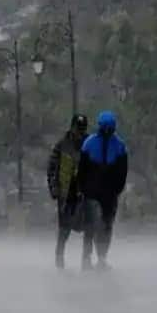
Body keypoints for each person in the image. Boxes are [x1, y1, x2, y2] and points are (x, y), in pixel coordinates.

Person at [77, 111, 128, 271]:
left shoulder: (119, 146)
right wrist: (82, 188)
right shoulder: (90, 144)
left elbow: (122, 171)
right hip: (92, 192)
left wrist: (117, 189)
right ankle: (87, 257)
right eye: (105, 127)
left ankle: (101, 257)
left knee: (106, 225)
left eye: (109, 127)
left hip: (108, 193)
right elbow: (82, 170)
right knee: (92, 225)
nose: (107, 130)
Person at [47, 114, 89, 270]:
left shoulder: (90, 144)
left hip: (85, 193)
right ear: (71, 127)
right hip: (66, 193)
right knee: (64, 228)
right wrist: (53, 188)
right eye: (78, 129)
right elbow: (51, 168)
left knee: (89, 227)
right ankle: (59, 258)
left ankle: (87, 260)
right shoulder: (61, 145)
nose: (80, 132)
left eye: (83, 129)